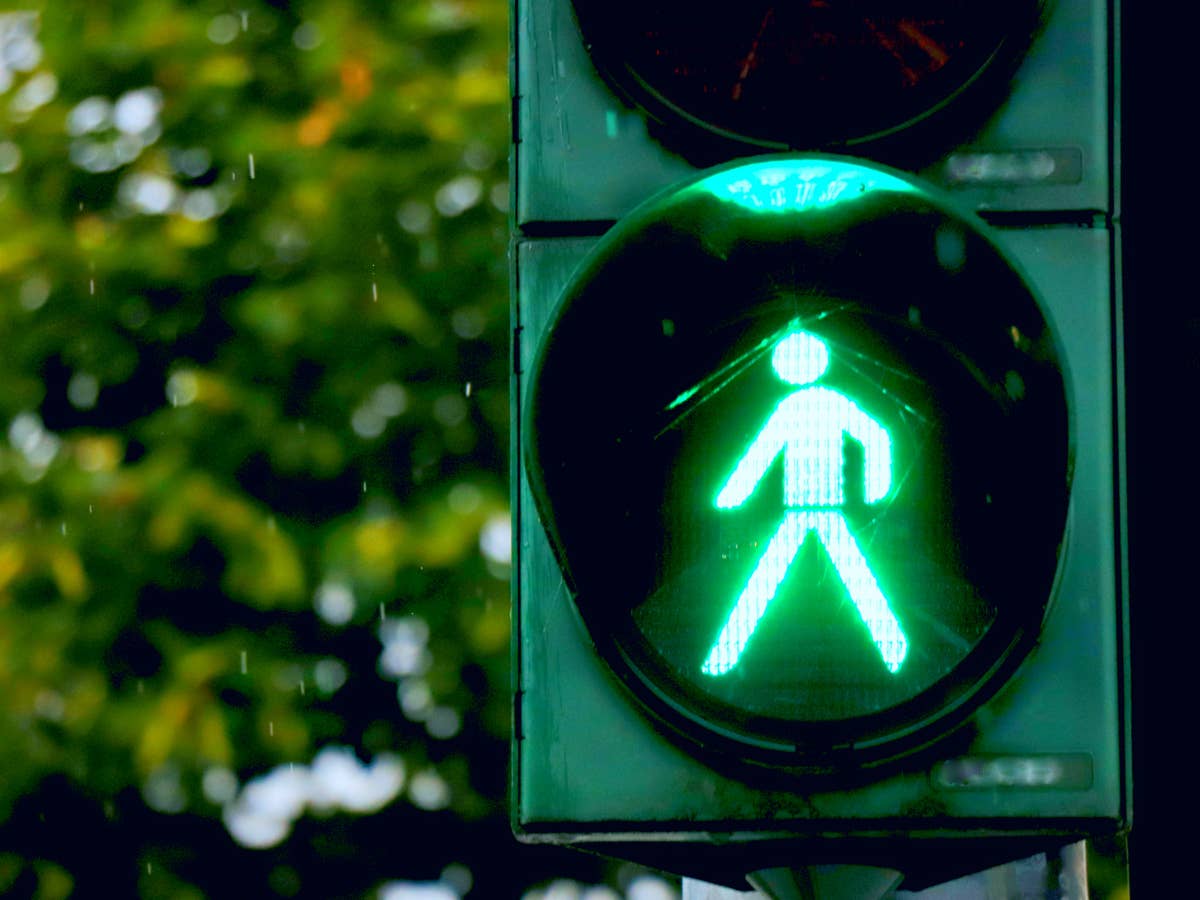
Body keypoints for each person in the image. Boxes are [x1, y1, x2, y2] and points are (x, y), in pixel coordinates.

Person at [702, 328, 908, 676]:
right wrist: (875, 489)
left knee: (769, 580)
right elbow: (764, 451)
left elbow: (762, 453)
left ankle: (724, 658)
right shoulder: (823, 403)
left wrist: (734, 494)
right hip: (811, 508)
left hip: (814, 507)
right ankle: (894, 650)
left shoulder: (804, 406)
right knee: (844, 578)